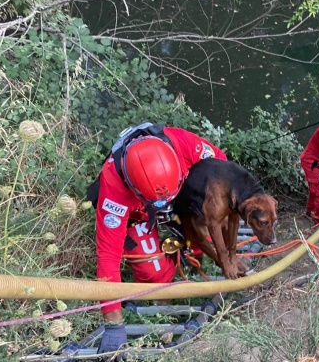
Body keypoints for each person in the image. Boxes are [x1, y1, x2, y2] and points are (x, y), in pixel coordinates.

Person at [89, 123, 226, 357]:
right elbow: (108, 256)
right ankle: (164, 297)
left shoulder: (185, 144)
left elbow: (223, 169)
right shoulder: (114, 189)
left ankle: (196, 252)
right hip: (139, 215)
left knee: (211, 208)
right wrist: (113, 324)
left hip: (180, 194)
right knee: (153, 272)